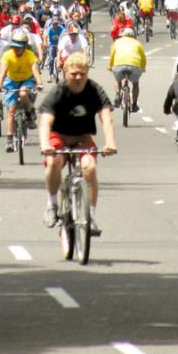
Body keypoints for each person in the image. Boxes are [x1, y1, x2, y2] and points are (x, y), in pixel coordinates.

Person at [39, 52, 116, 235]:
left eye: (82, 73)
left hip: (83, 138)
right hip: (58, 137)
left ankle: (91, 217)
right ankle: (52, 204)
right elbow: (45, 122)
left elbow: (106, 118)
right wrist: (45, 145)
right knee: (53, 162)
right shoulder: (57, 92)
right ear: (66, 73)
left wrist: (110, 142)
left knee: (89, 169)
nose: (78, 77)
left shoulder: (95, 90)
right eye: (74, 74)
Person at [0, 28, 42, 153]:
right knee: (11, 111)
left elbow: (35, 71)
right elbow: (2, 72)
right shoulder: (7, 55)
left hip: (26, 80)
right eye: (14, 46)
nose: (16, 49)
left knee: (23, 92)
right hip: (11, 80)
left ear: (25, 46)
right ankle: (9, 140)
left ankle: (29, 114)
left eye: (19, 47)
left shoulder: (30, 55)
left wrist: (39, 83)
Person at [108, 27, 146, 111]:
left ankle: (118, 94)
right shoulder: (137, 43)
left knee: (117, 80)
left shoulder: (116, 42)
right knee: (135, 84)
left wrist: (110, 67)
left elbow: (112, 56)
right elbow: (143, 57)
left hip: (119, 65)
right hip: (134, 66)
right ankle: (135, 104)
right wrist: (143, 68)